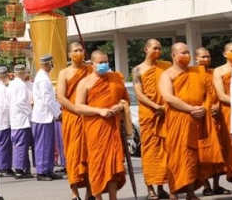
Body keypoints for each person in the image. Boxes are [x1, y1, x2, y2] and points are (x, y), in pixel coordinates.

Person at [159, 42, 224, 200]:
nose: (187, 55)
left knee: (194, 157)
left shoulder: (196, 72)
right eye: (183, 52)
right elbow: (168, 97)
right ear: (173, 55)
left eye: (188, 52)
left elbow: (208, 93)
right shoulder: (167, 75)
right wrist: (190, 109)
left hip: (198, 119)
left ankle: (190, 193)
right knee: (178, 157)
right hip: (178, 119)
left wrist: (204, 108)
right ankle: (174, 192)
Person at [75, 50, 128, 200]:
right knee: (97, 164)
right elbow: (79, 106)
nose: (104, 65)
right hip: (95, 129)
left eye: (106, 61)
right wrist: (99, 111)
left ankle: (113, 197)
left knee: (113, 165)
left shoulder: (116, 78)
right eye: (101, 62)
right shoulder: (85, 83)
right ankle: (97, 197)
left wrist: (120, 106)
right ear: (92, 64)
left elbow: (125, 99)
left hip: (113, 128)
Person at [131, 39, 171, 200]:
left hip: (165, 113)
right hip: (149, 114)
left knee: (164, 153)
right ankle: (150, 189)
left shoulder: (165, 66)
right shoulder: (137, 70)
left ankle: (161, 187)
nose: (157, 51)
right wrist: (156, 106)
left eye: (159, 48)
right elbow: (139, 95)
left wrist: (164, 106)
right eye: (154, 48)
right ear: (146, 49)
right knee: (149, 153)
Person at [57, 42, 94, 200]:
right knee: (73, 154)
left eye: (81, 50)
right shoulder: (64, 73)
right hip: (72, 118)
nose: (79, 52)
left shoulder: (91, 70)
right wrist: (77, 109)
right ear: (69, 54)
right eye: (75, 51)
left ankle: (90, 193)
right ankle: (74, 193)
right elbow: (61, 97)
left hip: (89, 117)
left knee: (90, 155)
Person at [195, 47, 230, 196]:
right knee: (204, 154)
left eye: (208, 57)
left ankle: (216, 185)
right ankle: (206, 185)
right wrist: (206, 108)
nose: (206, 60)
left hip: (218, 117)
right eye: (202, 57)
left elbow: (220, 93)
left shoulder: (215, 73)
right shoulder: (192, 75)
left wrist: (217, 106)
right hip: (202, 119)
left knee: (219, 152)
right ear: (196, 59)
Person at [32, 54, 63, 182]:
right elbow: (47, 100)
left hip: (47, 117)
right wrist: (58, 113)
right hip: (43, 117)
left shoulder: (44, 77)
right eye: (51, 64)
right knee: (43, 145)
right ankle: (42, 172)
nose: (52, 66)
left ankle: (49, 170)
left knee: (49, 145)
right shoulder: (42, 79)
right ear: (47, 64)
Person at [213, 42, 232, 198]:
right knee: (231, 150)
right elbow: (221, 95)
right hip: (229, 113)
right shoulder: (219, 71)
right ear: (224, 53)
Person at [7, 64, 34, 179]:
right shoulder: (21, 85)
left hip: (14, 118)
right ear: (23, 73)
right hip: (22, 119)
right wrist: (30, 112)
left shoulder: (11, 85)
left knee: (18, 144)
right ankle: (19, 169)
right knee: (21, 145)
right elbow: (21, 102)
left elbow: (9, 102)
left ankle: (23, 167)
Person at [0, 66, 14, 178]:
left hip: (4, 121)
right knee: (3, 147)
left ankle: (7, 167)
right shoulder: (0, 88)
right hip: (2, 122)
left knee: (7, 146)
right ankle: (2, 168)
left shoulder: (1, 87)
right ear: (6, 76)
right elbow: (4, 105)